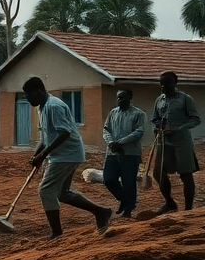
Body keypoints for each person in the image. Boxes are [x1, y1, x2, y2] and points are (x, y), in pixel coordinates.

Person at [22, 76, 114, 238]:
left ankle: (56, 233)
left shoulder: (54, 106)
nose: (27, 98)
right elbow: (45, 137)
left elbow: (64, 132)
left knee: (46, 190)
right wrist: (37, 155)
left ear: (39, 91)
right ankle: (101, 212)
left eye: (28, 94)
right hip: (61, 155)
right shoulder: (41, 108)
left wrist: (43, 155)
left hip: (67, 154)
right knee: (62, 193)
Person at [150, 71, 200, 213]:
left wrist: (179, 128)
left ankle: (188, 209)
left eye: (167, 83)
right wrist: (156, 126)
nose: (164, 87)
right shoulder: (159, 100)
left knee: (185, 173)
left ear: (174, 83)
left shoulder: (185, 99)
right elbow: (154, 118)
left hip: (181, 141)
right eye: (161, 84)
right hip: (163, 141)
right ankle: (170, 203)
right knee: (158, 173)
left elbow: (195, 119)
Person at [101, 89, 147, 217]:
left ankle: (128, 210)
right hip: (112, 153)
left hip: (130, 153)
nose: (119, 100)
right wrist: (111, 143)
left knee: (129, 182)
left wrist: (120, 142)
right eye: (118, 98)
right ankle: (124, 200)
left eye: (122, 97)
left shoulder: (138, 114)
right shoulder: (113, 113)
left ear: (130, 98)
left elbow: (139, 132)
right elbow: (106, 130)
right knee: (109, 179)